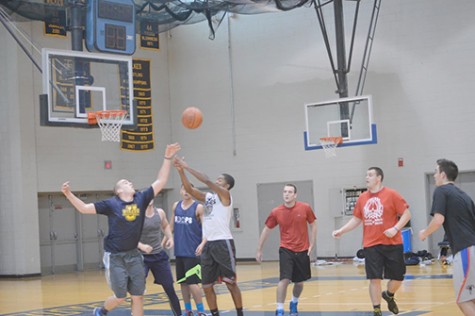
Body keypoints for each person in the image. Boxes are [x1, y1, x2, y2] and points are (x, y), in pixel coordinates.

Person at [61, 143, 180, 316]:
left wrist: (167, 157)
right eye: (125, 182)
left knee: (138, 296)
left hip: (134, 256)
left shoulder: (141, 198)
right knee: (120, 297)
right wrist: (68, 194)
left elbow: (161, 181)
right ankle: (102, 311)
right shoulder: (111, 204)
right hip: (115, 256)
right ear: (118, 191)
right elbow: (84, 208)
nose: (130, 183)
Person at [332, 167, 411, 316]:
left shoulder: (392, 194)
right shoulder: (362, 198)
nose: (366, 177)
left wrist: (395, 228)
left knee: (398, 277)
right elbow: (356, 219)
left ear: (378, 178)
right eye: (366, 175)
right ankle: (376, 309)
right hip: (371, 244)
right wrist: (341, 230)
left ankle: (388, 294)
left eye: (370, 175)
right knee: (374, 279)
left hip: (392, 243)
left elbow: (406, 214)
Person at [173, 155, 244, 316]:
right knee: (206, 286)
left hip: (222, 242)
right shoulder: (209, 198)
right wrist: (181, 171)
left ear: (226, 185)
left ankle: (240, 313)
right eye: (217, 179)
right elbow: (190, 190)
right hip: (209, 244)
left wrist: (187, 166)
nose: (216, 181)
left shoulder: (226, 196)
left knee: (231, 283)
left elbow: (206, 181)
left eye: (220, 180)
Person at [419, 159, 475, 315]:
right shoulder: (464, 195)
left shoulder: (441, 191)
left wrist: (424, 233)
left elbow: (438, 220)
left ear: (443, 175)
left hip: (466, 250)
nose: (435, 175)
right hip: (472, 249)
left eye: (436, 172)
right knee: (472, 297)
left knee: (463, 299)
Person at [256, 184, 317, 316]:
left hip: (302, 250)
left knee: (299, 283)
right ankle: (279, 309)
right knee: (284, 279)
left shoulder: (305, 207)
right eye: (285, 192)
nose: (287, 194)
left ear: (295, 195)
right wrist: (259, 249)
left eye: (290, 192)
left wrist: (312, 244)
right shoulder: (276, 211)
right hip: (286, 249)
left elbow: (313, 224)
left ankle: (294, 302)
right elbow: (266, 229)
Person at [138, 200, 182, 316]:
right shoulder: (137, 213)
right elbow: (128, 233)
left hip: (158, 256)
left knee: (169, 289)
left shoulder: (160, 212)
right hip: (141, 257)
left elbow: (166, 225)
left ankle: (178, 314)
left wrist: (170, 238)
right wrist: (141, 246)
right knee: (137, 291)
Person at [171, 185, 207, 316]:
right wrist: (166, 238)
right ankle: (188, 310)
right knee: (183, 283)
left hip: (193, 251)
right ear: (180, 191)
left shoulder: (198, 207)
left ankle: (201, 311)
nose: (186, 192)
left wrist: (203, 243)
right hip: (179, 251)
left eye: (189, 190)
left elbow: (205, 229)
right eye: (184, 189)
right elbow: (171, 226)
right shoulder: (176, 206)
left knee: (193, 283)